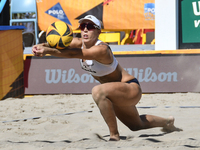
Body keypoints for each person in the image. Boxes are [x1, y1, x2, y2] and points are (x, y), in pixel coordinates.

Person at [32, 15, 180, 141]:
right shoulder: (78, 42)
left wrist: (47, 51)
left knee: (97, 91)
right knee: (136, 125)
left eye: (90, 26)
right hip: (112, 92)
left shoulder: (102, 49)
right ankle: (167, 122)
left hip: (130, 88)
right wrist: (41, 46)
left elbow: (71, 54)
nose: (85, 29)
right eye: (83, 25)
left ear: (98, 31)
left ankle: (114, 136)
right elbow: (56, 44)